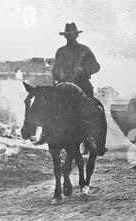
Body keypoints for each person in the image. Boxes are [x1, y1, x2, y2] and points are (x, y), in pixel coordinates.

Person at [36, 23, 107, 155]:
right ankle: (45, 134)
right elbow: (55, 69)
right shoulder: (60, 51)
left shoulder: (85, 50)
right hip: (63, 87)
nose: (70, 37)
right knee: (49, 106)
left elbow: (96, 67)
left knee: (93, 109)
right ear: (65, 36)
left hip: (82, 86)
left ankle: (93, 139)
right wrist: (58, 74)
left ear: (77, 35)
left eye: (72, 35)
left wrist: (84, 70)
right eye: (68, 35)